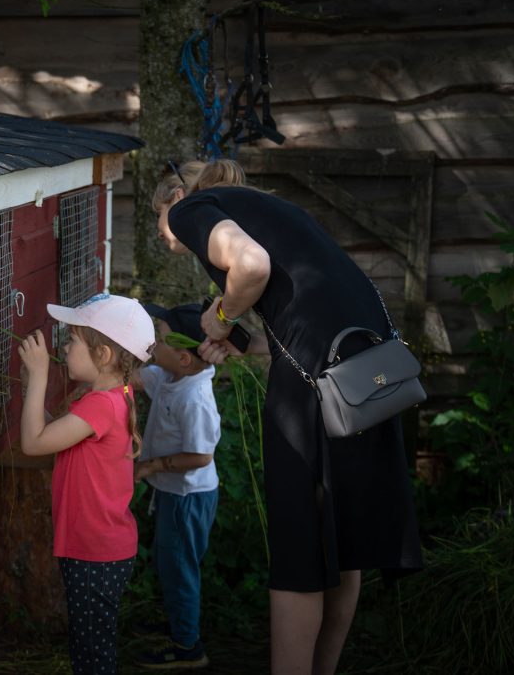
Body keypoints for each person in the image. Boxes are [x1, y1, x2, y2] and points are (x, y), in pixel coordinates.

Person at [153, 160, 423, 675]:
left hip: (316, 395)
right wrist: (246, 343)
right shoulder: (274, 209)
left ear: (178, 197)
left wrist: (222, 316)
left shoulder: (194, 209)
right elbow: (304, 320)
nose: (164, 233)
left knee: (300, 551)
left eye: (156, 216)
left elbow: (250, 267)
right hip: (366, 378)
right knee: (345, 545)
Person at [18, 292, 155, 675]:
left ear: (104, 355)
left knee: (92, 654)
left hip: (95, 552)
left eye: (74, 340)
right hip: (99, 549)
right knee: (90, 646)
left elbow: (33, 442)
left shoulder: (101, 405)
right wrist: (32, 385)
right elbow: (51, 432)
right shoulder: (113, 396)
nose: (64, 347)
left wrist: (41, 376)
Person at [132, 302, 221, 670]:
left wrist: (153, 465)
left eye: (161, 340)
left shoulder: (195, 398)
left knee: (180, 565)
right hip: (171, 491)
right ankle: (177, 622)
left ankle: (188, 647)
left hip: (189, 498)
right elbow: (136, 377)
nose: (153, 344)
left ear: (184, 359)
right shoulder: (170, 377)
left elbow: (200, 456)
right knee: (169, 560)